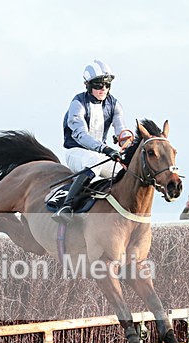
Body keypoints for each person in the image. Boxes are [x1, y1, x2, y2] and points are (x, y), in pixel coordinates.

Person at [54, 59, 128, 223]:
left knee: (128, 172)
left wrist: (126, 140)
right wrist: (106, 149)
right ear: (87, 85)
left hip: (100, 155)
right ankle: (67, 206)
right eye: (98, 85)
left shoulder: (114, 105)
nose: (103, 89)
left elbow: (120, 129)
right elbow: (81, 135)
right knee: (94, 160)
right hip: (77, 152)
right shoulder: (78, 103)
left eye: (107, 85)